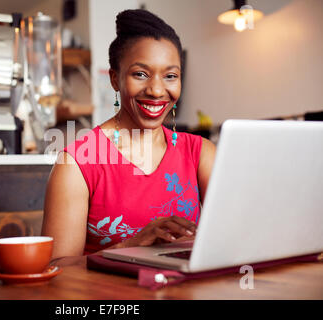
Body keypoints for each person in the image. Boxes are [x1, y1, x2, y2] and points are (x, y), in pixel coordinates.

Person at [42, 9, 216, 260]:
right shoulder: (77, 164)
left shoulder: (201, 153)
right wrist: (132, 245)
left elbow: (237, 236)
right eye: (140, 74)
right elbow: (57, 273)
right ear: (115, 79)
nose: (157, 90)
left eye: (170, 76)